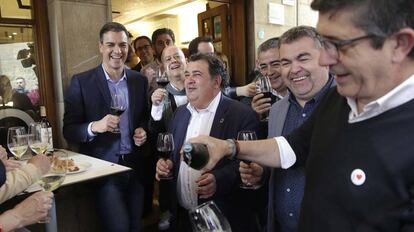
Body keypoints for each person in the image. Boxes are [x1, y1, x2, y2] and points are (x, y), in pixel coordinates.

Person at [190, 0, 414, 230]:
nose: (326, 59)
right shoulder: (338, 99)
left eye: (341, 45)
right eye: (326, 45)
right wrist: (229, 147)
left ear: (399, 45)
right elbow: (291, 147)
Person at [240, 26, 335, 232]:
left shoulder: (352, 104)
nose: (294, 69)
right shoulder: (277, 110)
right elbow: (280, 164)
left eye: (303, 58)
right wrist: (261, 174)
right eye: (286, 62)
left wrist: (230, 147)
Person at [156, 53, 260, 232]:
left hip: (223, 218)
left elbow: (250, 164)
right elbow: (174, 155)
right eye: (187, 74)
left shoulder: (242, 115)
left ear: (216, 81)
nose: (189, 80)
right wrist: (165, 164)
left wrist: (219, 180)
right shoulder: (179, 114)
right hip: (183, 218)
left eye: (197, 75)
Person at [63, 22, 149, 232]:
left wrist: (142, 130)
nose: (117, 51)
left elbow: (145, 117)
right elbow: (69, 129)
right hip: (105, 171)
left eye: (123, 44)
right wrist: (95, 126)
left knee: (136, 227)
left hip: (136, 167)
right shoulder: (82, 82)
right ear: (101, 46)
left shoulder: (139, 80)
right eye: (111, 44)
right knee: (119, 228)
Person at [149, 45, 188, 230]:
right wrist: (156, 106)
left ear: (185, 61)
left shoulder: (199, 88)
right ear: (163, 67)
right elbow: (154, 133)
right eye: (168, 59)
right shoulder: (159, 95)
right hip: (170, 164)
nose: (174, 61)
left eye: (177, 56)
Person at [188, 36, 256, 99]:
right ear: (193, 57)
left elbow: (225, 89)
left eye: (212, 54)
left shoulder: (216, 71)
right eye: (206, 55)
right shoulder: (188, 78)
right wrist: (240, 90)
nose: (211, 58)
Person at [141, 28, 175, 93]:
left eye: (168, 42)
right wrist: (147, 83)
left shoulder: (182, 66)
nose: (165, 46)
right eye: (160, 43)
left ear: (173, 44)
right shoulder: (146, 70)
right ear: (154, 47)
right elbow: (142, 98)